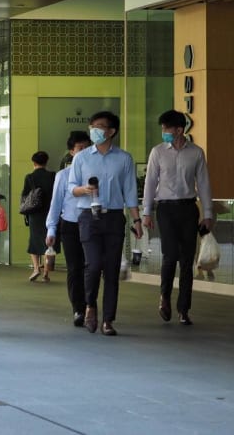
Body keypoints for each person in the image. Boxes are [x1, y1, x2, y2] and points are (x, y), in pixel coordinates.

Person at [69, 111, 143, 336]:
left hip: (113, 217)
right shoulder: (81, 158)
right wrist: (85, 189)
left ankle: (108, 319)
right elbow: (72, 187)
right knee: (93, 265)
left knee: (111, 270)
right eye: (92, 126)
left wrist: (136, 219)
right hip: (88, 217)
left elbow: (130, 192)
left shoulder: (124, 159)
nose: (95, 130)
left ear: (111, 131)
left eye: (99, 126)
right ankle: (90, 306)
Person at [141, 110, 214, 326]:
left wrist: (208, 213)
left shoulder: (197, 153)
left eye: (166, 129)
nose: (163, 132)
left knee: (186, 260)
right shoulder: (157, 152)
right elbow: (150, 182)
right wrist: (147, 212)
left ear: (180, 130)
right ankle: (164, 297)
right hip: (165, 209)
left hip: (188, 209)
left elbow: (203, 184)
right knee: (170, 254)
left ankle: (184, 308)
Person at [45, 131, 91, 326]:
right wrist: (51, 229)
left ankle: (91, 305)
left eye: (87, 148)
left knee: (92, 267)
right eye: (80, 149)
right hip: (70, 225)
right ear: (72, 152)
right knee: (75, 268)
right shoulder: (63, 176)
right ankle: (79, 309)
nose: (84, 152)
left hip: (93, 225)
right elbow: (55, 204)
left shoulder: (95, 175)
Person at [21, 151, 56, 282]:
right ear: (46, 162)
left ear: (34, 163)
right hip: (51, 212)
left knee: (34, 241)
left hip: (35, 213)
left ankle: (36, 268)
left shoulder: (29, 177)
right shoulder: (53, 176)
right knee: (50, 241)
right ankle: (46, 272)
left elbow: (24, 196)